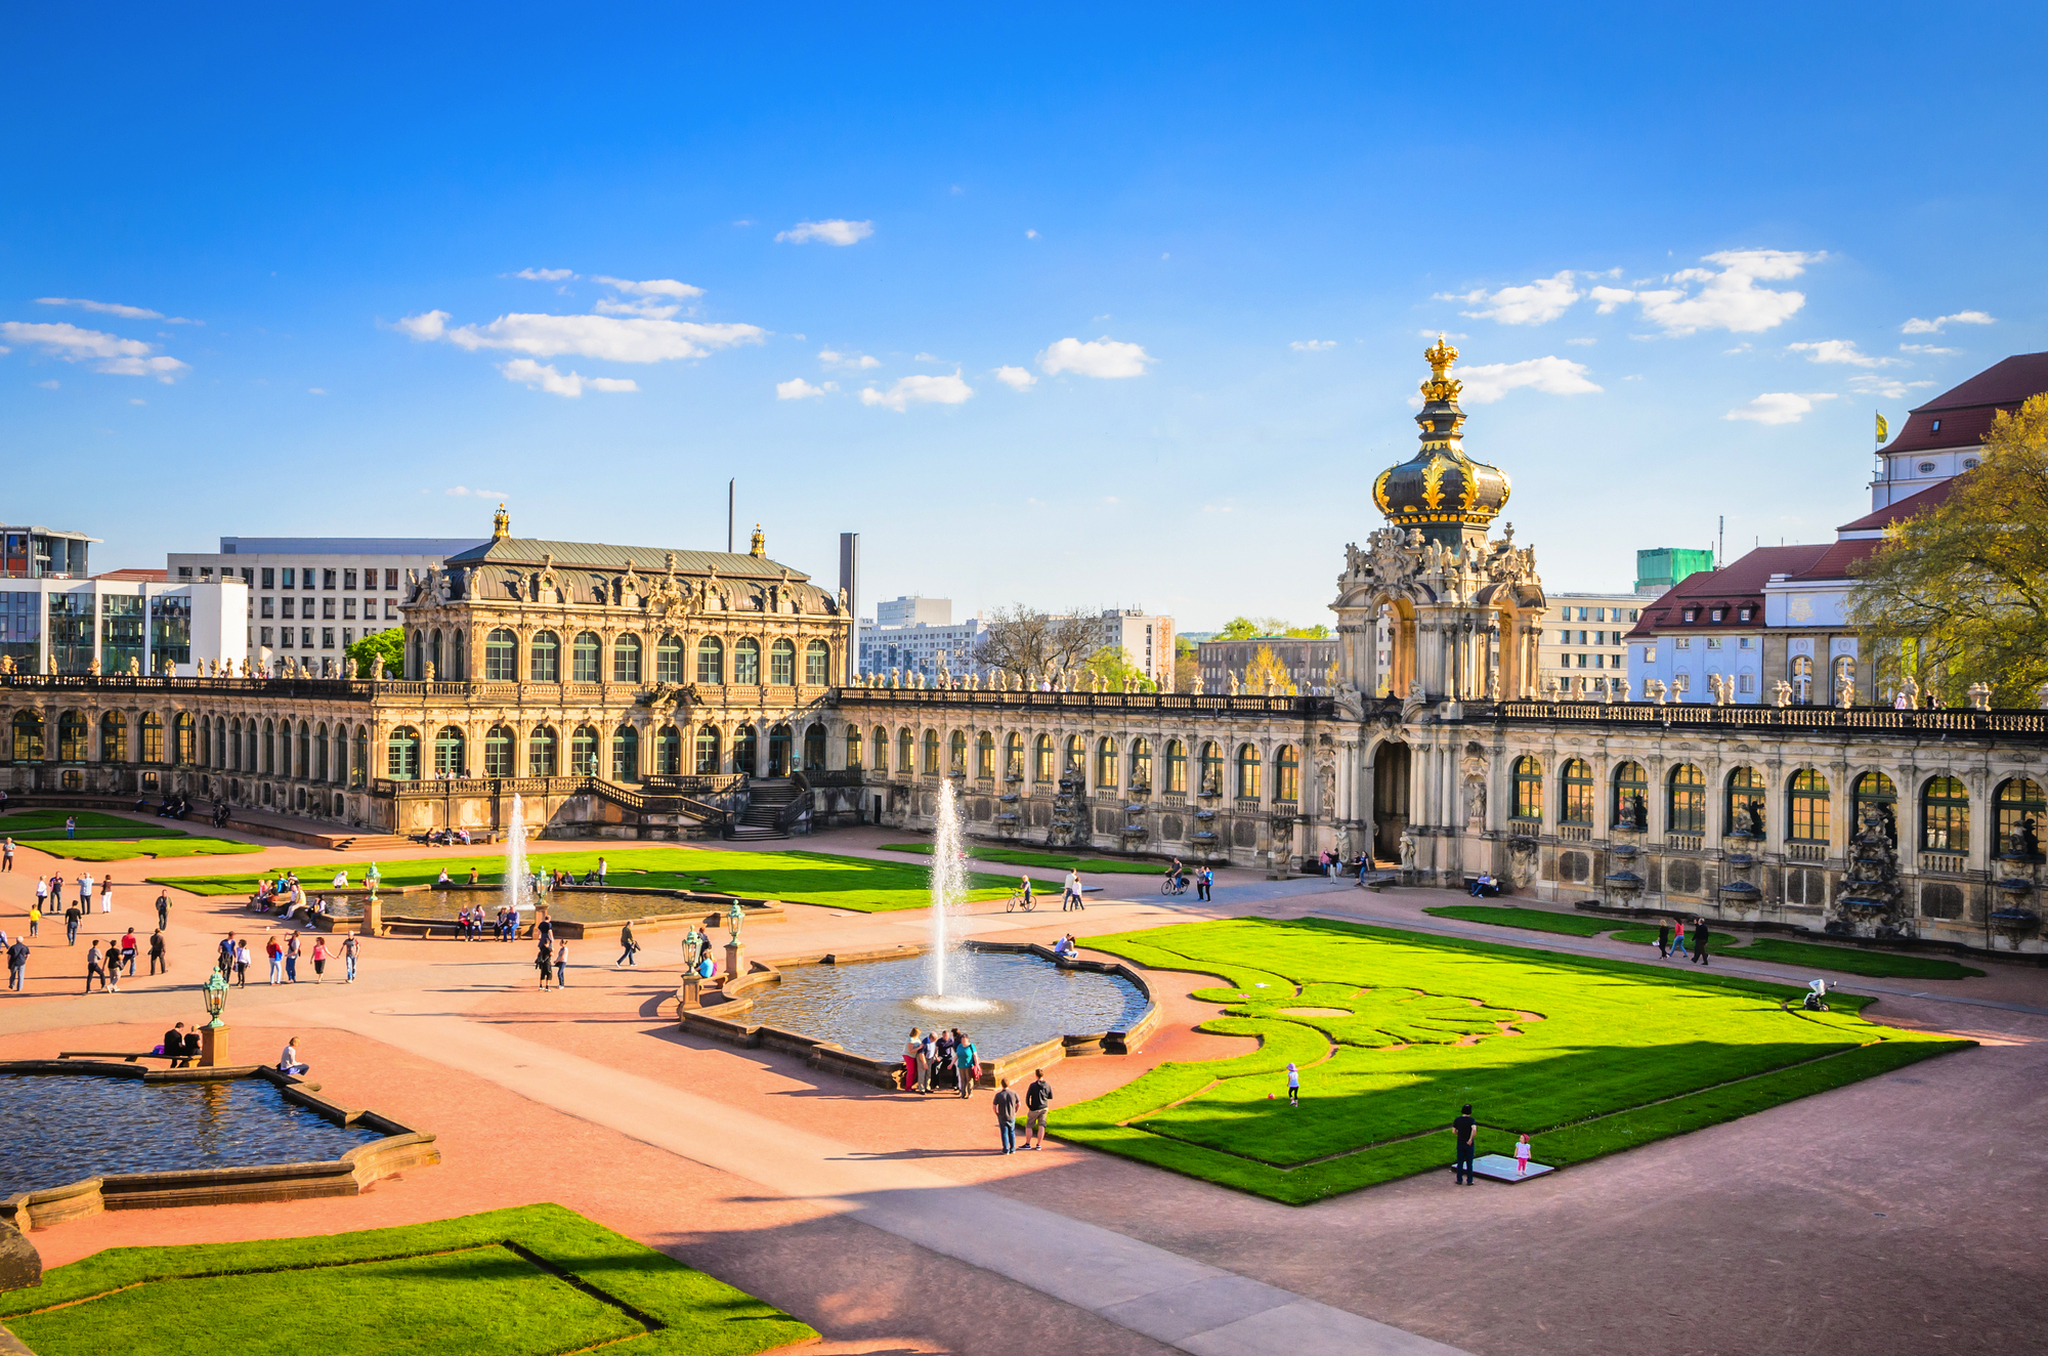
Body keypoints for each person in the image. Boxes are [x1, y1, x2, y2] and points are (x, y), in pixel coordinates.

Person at [1023, 1068, 1053, 1149]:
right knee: (1041, 1126)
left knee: (1029, 1126)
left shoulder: (1032, 1086)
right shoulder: (1047, 1085)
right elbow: (1050, 1096)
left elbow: (1027, 1098)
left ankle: (1028, 1144)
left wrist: (1030, 1107)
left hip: (1034, 1108)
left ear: (1036, 1075)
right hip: (1044, 1107)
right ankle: (1039, 1145)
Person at [992, 1077, 1020, 1154]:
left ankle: (1006, 1149)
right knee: (1011, 1132)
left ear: (1001, 1085)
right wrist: (1015, 1111)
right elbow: (1019, 1104)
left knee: (1004, 1133)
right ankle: (1013, 1148)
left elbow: (994, 1106)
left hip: (1002, 1116)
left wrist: (997, 1113)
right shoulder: (1014, 1093)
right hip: (1011, 1115)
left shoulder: (998, 1095)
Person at [955, 1031, 977, 1098]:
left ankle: (970, 1093)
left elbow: (975, 1055)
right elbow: (956, 1056)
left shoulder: (971, 1046)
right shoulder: (959, 1046)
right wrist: (951, 1063)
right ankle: (963, 1093)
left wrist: (977, 1064)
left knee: (969, 1080)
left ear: (967, 1039)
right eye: (962, 1040)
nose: (963, 1041)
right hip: (961, 1065)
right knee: (962, 1080)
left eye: (964, 1040)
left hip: (969, 1065)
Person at [915, 1031, 934, 1095]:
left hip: (929, 1058)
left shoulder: (933, 1042)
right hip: (923, 1058)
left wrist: (933, 1057)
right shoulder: (925, 1042)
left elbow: (933, 1049)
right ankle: (921, 1089)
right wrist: (924, 1063)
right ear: (932, 1038)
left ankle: (927, 1087)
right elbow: (921, 1053)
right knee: (922, 1073)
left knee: (928, 1073)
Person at [904, 1028, 922, 1093]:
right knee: (911, 1071)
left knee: (914, 1071)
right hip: (909, 1056)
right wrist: (919, 1047)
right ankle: (907, 1087)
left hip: (914, 1056)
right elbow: (910, 1051)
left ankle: (911, 1085)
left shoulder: (916, 1038)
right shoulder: (910, 1040)